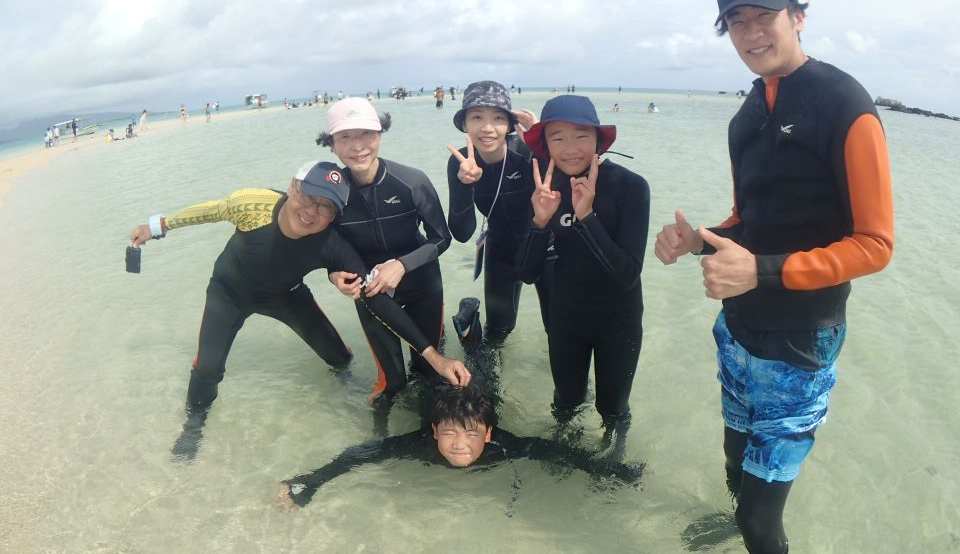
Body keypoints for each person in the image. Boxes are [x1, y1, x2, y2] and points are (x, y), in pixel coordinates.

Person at [654, 0, 893, 554]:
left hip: (800, 343)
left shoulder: (845, 103)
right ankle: (735, 521)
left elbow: (876, 244)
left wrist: (759, 270)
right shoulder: (746, 116)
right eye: (737, 22)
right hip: (739, 328)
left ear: (798, 17)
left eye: (765, 15)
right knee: (734, 465)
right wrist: (698, 240)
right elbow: (749, 220)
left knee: (763, 525)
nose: (751, 32)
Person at [129, 160, 469, 460]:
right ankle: (194, 425)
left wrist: (433, 357)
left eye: (326, 207)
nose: (311, 211)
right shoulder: (252, 204)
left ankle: (345, 385)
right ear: (294, 187)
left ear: (335, 217)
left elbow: (374, 297)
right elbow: (210, 210)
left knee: (339, 358)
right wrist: (157, 227)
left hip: (287, 297)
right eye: (309, 197)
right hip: (228, 294)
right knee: (207, 367)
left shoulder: (331, 241)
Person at [277, 384, 644, 510]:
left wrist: (615, 472)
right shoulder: (420, 444)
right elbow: (362, 454)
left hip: (478, 404)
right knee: (420, 388)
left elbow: (554, 451)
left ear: (488, 434)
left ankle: (476, 340)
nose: (459, 446)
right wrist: (311, 481)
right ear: (435, 431)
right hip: (436, 401)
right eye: (449, 434)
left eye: (471, 435)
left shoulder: (502, 445)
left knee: (487, 379)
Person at [517, 95, 650, 437]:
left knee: (613, 410)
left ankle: (613, 460)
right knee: (566, 402)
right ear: (546, 145)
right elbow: (527, 274)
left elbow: (627, 274)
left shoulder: (630, 187)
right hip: (566, 318)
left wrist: (586, 216)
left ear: (597, 139)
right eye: (558, 138)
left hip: (618, 321)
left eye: (581, 136)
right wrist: (539, 223)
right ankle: (562, 454)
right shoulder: (546, 189)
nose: (571, 149)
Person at [316, 98, 453, 404]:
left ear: (380, 134)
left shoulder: (411, 181)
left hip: (422, 284)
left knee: (428, 373)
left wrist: (401, 265)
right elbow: (332, 254)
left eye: (366, 134)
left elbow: (441, 239)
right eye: (345, 137)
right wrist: (335, 277)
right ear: (332, 145)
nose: (357, 146)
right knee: (392, 383)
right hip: (371, 293)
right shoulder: (331, 195)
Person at [445, 80, 550, 343]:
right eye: (477, 117)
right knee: (497, 334)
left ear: (510, 125)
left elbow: (566, 192)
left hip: (546, 249)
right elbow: (462, 233)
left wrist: (543, 146)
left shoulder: (527, 152)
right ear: (464, 124)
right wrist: (465, 185)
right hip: (500, 251)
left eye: (498, 118)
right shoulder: (460, 162)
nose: (488, 127)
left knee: (559, 328)